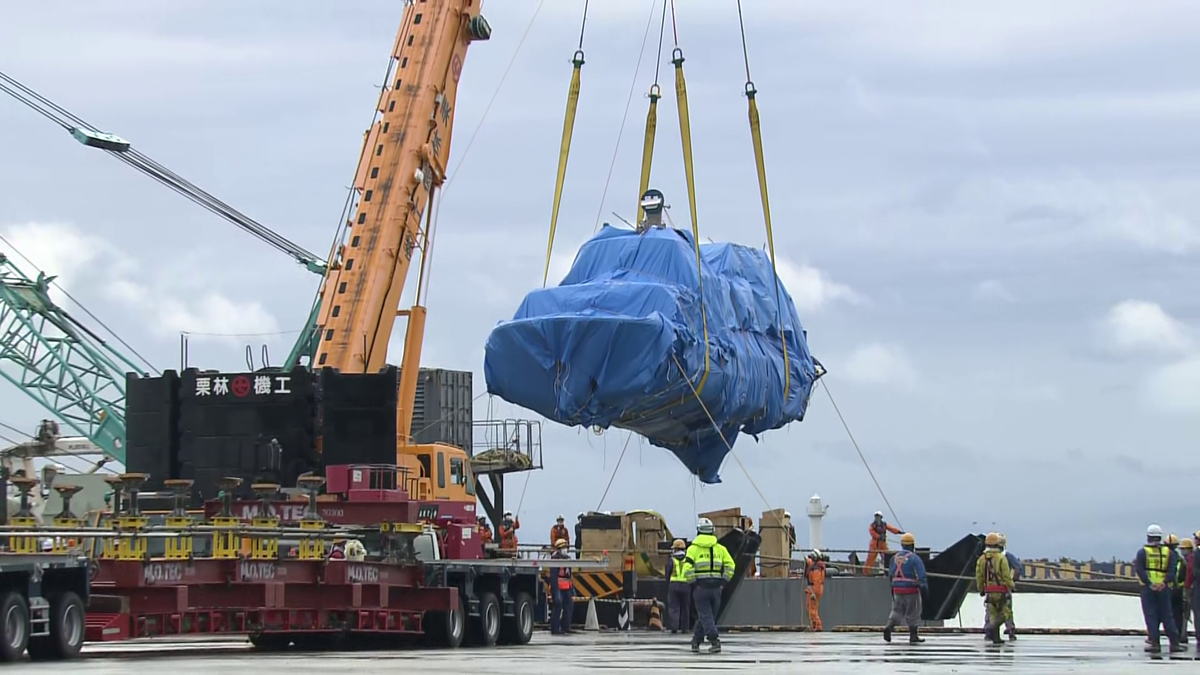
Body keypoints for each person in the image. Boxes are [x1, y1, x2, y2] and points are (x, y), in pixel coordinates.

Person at [682, 517, 736, 653]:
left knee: (705, 615)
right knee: (708, 616)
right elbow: (731, 565)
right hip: (717, 588)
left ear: (698, 532)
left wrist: (693, 582)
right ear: (712, 531)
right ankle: (696, 640)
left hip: (701, 587)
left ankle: (714, 640)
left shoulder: (693, 549)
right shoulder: (721, 549)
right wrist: (724, 581)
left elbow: (686, 568)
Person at [1136, 524, 1186, 653]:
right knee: (1167, 615)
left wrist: (1150, 583)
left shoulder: (1143, 552)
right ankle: (1174, 643)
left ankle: (1155, 643)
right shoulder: (1168, 552)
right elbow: (1172, 569)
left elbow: (1140, 569)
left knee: (1151, 615)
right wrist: (1164, 582)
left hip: (1148, 588)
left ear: (1148, 537)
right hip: (1164, 588)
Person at [882, 532, 927, 643]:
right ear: (912, 545)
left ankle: (889, 626)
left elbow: (891, 575)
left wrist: (892, 589)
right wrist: (924, 590)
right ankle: (913, 635)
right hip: (911, 589)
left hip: (897, 588)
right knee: (913, 612)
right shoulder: (914, 559)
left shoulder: (894, 558)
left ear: (902, 545)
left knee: (896, 611)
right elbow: (921, 576)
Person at [976, 532, 1015, 645]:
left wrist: (981, 589)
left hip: (989, 591)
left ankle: (996, 638)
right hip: (1001, 590)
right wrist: (1011, 585)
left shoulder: (981, 560)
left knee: (993, 614)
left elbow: (979, 577)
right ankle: (993, 628)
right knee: (1006, 613)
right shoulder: (1001, 558)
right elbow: (1006, 576)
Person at [664, 538, 691, 634]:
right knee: (685, 607)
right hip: (686, 585)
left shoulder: (672, 560)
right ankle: (685, 628)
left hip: (674, 585)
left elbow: (667, 573)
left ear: (674, 549)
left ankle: (674, 627)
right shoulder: (688, 559)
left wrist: (668, 583)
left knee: (674, 607)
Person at [548, 539, 574, 634]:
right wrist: (556, 592)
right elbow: (553, 577)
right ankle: (555, 629)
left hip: (567, 587)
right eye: (563, 547)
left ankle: (566, 627)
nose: (565, 549)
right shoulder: (555, 560)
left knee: (569, 607)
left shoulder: (567, 559)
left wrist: (572, 588)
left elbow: (569, 575)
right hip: (558, 587)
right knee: (557, 606)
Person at [998, 533, 1021, 640]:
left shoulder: (985, 557)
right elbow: (1017, 568)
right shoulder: (1007, 556)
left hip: (990, 588)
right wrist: (1012, 583)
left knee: (990, 611)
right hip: (1005, 588)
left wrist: (981, 587)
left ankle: (990, 631)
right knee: (1007, 610)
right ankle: (1010, 629)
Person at [866, 511, 902, 575]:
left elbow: (891, 528)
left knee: (887, 558)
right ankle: (866, 573)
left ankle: (888, 571)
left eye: (878, 517)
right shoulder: (872, 525)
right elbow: (872, 532)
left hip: (882, 544)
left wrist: (899, 532)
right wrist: (879, 536)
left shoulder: (884, 525)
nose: (877, 518)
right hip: (874, 544)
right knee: (870, 559)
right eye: (876, 516)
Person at [805, 549, 826, 631]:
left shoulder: (816, 569)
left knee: (812, 609)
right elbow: (810, 564)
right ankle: (815, 626)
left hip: (814, 589)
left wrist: (813, 593)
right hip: (815, 588)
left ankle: (817, 626)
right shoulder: (817, 566)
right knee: (812, 608)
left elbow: (816, 581)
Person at [1179, 536, 1194, 643]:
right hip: (1190, 588)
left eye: (1183, 549)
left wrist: (1186, 587)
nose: (1182, 551)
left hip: (1189, 589)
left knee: (1185, 613)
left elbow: (1189, 575)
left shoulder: (1189, 561)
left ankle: (1183, 635)